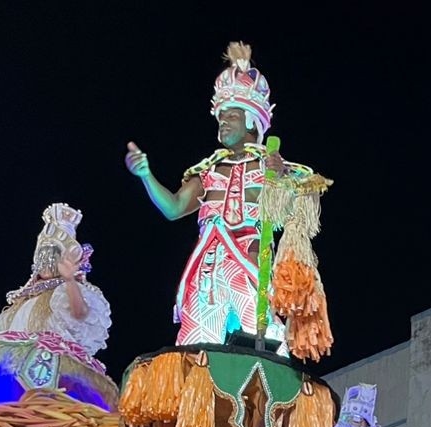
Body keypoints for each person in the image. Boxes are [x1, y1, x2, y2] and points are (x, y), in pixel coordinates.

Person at [124, 43, 313, 347]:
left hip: (249, 265)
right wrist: (146, 175)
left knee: (264, 342)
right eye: (221, 116)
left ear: (252, 121)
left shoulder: (270, 165)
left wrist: (281, 180)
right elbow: (173, 208)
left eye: (232, 116)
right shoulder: (209, 170)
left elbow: (297, 216)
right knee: (196, 349)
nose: (223, 122)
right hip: (207, 269)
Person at [0, 203, 111, 360]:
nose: (46, 264)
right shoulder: (21, 302)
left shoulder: (63, 292)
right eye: (42, 258)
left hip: (49, 372)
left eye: (52, 257)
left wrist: (70, 280)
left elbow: (80, 314)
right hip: (13, 370)